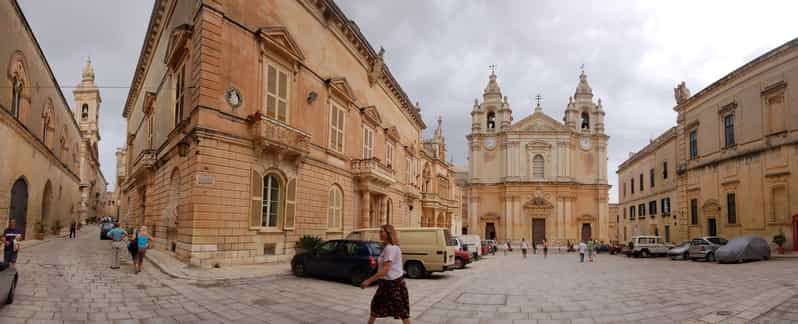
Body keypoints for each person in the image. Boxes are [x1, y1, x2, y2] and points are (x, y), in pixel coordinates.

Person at [360, 224, 410, 324]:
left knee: (401, 311)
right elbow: (386, 265)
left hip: (393, 285)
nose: (380, 234)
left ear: (388, 234)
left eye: (382, 232)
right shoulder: (391, 247)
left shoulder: (390, 248)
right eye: (380, 231)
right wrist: (377, 264)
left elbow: (386, 269)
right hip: (387, 284)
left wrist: (368, 281)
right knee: (376, 305)